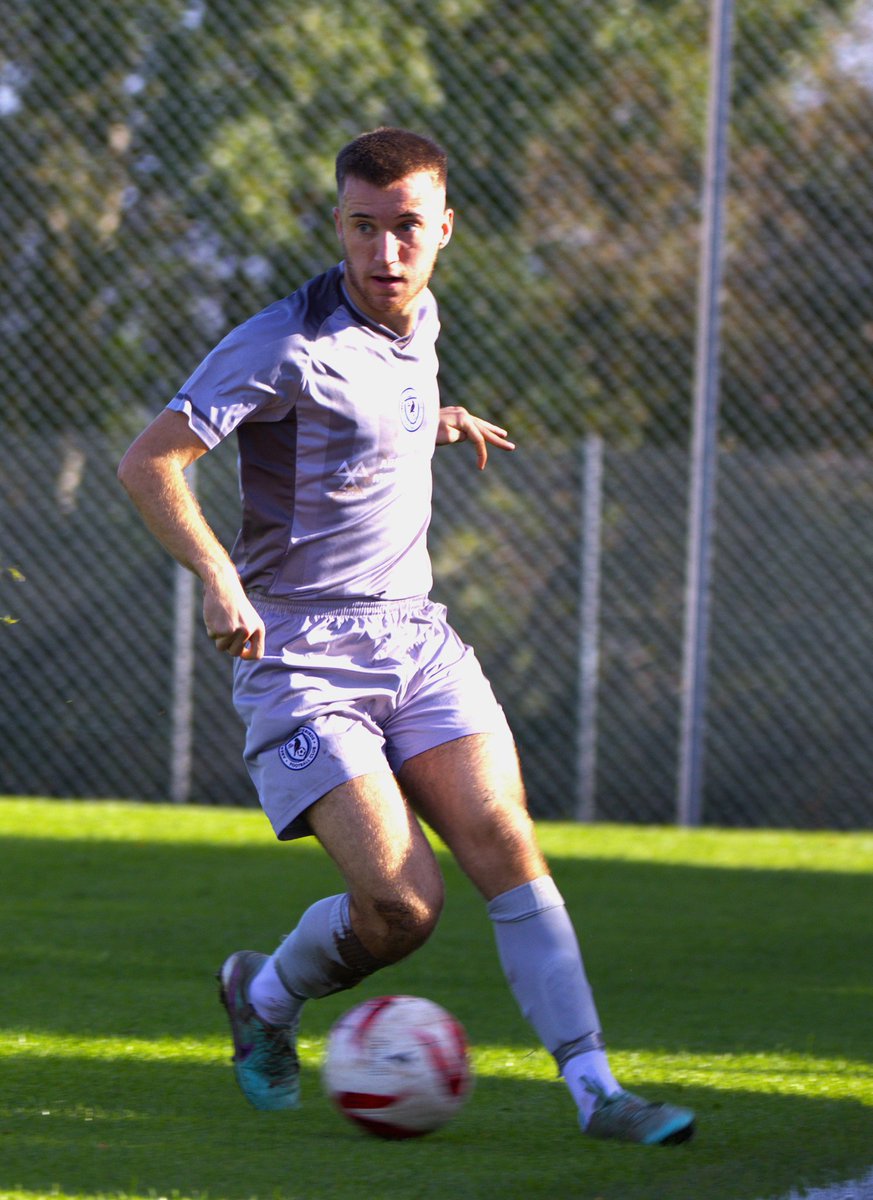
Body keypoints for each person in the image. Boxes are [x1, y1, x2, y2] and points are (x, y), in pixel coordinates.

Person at [117, 126, 695, 1145]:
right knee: (400, 908)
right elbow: (150, 462)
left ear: (444, 230)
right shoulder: (281, 342)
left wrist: (438, 417)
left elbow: (371, 404)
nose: (385, 255)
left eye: (406, 231)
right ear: (337, 223)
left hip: (415, 638)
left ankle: (598, 1091)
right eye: (364, 229)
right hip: (300, 657)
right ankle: (264, 994)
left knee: (505, 840)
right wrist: (218, 580)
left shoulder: (419, 317)